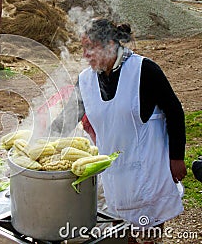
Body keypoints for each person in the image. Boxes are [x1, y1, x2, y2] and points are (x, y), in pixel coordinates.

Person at [51, 18, 187, 244]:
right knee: (120, 236)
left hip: (147, 172)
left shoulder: (144, 71)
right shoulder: (86, 81)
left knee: (146, 238)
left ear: (111, 45)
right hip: (114, 176)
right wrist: (41, 140)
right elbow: (68, 117)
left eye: (90, 47)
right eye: (83, 48)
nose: (85, 55)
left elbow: (175, 111)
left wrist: (177, 158)